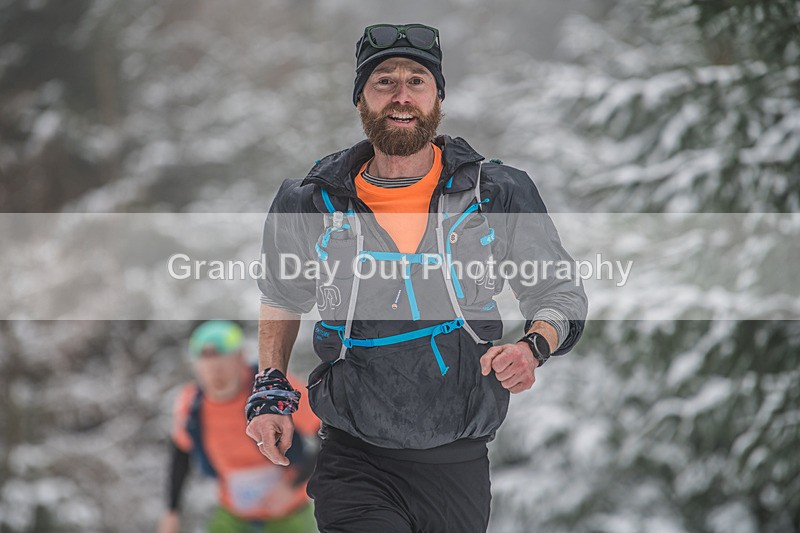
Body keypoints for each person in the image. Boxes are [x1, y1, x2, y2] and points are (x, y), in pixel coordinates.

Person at [246, 23, 588, 533]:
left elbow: (559, 293)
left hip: (458, 461)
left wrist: (532, 346)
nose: (401, 96)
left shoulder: (495, 192)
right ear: (360, 98)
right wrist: (271, 386)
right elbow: (280, 294)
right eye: (383, 81)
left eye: (417, 81)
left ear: (438, 99)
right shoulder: (312, 200)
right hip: (352, 456)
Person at [158, 320, 319, 533]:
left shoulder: (274, 390)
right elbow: (180, 453)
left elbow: (329, 437)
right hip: (233, 516)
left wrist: (293, 485)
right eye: (209, 368)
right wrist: (172, 511)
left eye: (223, 366)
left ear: (241, 358)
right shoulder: (191, 404)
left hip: (290, 514)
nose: (217, 375)